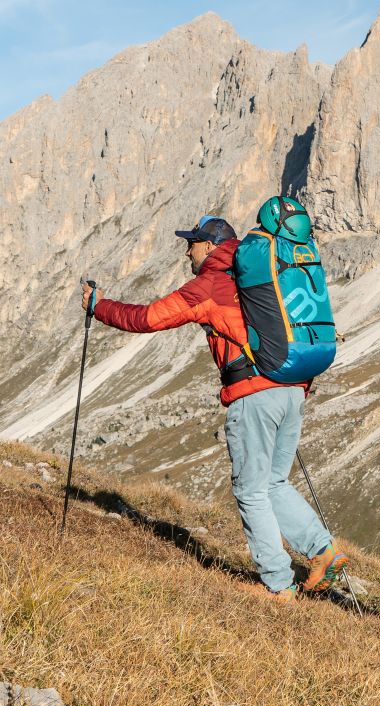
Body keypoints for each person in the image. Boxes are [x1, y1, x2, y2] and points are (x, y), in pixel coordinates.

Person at [81, 214, 347, 602]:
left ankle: (277, 585)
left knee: (251, 489)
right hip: (293, 386)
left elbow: (147, 318)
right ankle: (324, 553)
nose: (187, 250)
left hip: (254, 395)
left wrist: (98, 306)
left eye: (192, 242)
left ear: (209, 246)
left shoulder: (210, 283)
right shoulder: (258, 275)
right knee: (273, 482)